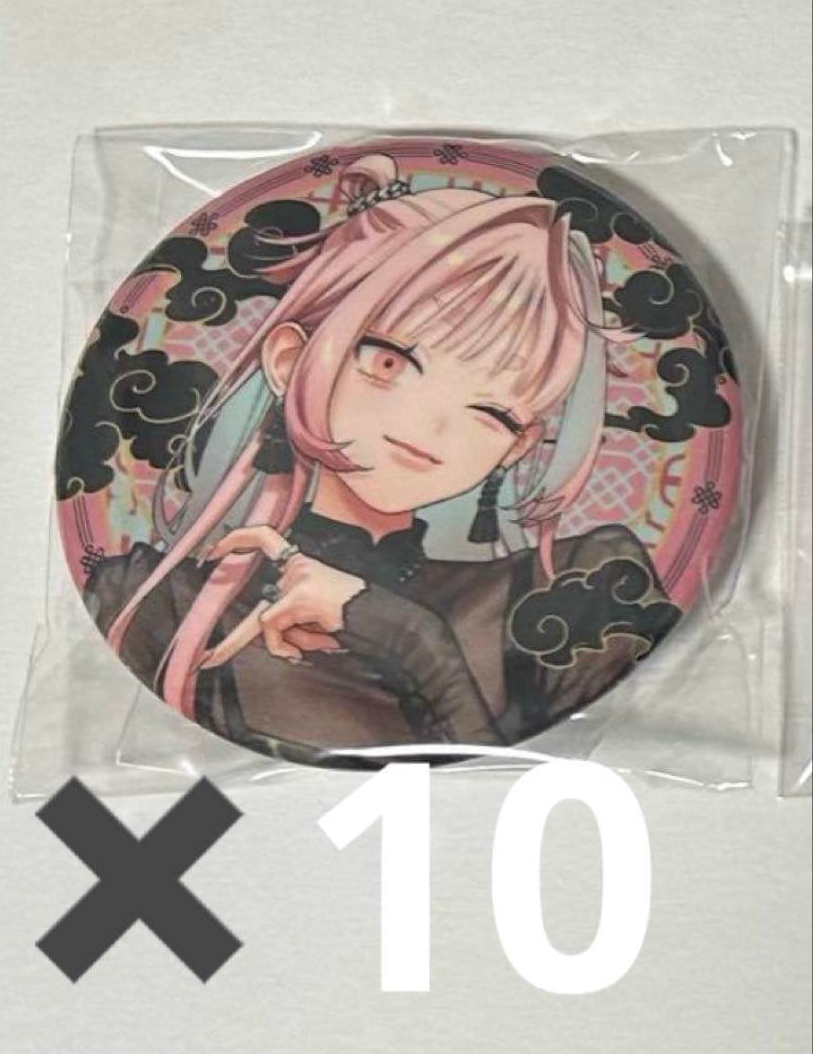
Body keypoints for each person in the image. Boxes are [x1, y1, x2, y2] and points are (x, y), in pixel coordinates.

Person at [85, 153, 678, 766]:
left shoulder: (578, 594)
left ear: (518, 444)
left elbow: (496, 783)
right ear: (289, 360)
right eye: (390, 363)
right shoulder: (155, 602)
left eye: (493, 413)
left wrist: (407, 636)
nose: (433, 427)